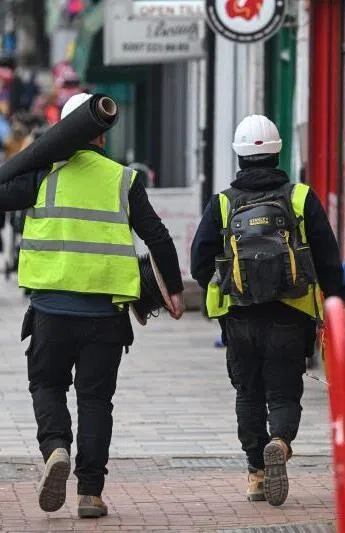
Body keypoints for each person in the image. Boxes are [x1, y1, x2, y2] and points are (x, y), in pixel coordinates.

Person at [0, 93, 185, 518]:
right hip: (105, 315)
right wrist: (173, 291)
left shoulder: (42, 175)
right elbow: (157, 236)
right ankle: (90, 493)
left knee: (47, 386)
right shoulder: (123, 179)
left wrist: (34, 156)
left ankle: (56, 447)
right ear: (101, 135)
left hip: (50, 310)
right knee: (96, 401)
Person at [191, 115, 345, 506]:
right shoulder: (300, 197)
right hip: (291, 311)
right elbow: (328, 259)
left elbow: (198, 262)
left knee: (248, 391)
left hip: (239, 315)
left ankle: (256, 475)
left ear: (239, 155)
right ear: (278, 151)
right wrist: (337, 305)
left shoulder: (223, 202)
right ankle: (280, 440)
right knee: (283, 388)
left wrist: (226, 282)